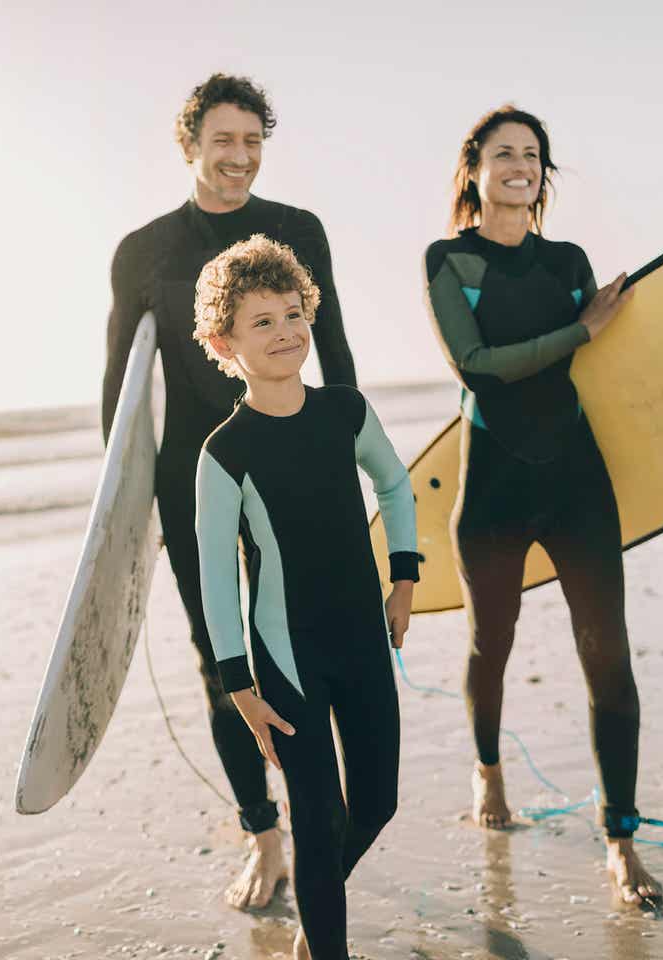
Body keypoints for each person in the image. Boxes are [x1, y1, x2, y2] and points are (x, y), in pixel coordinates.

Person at [102, 73, 359, 908]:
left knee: (306, 645)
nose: (239, 157)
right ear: (192, 146)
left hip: (291, 467)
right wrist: (124, 519)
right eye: (224, 141)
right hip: (193, 476)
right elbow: (120, 396)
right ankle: (264, 833)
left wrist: (347, 462)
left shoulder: (297, 231)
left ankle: (318, 813)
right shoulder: (145, 251)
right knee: (225, 663)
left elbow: (339, 360)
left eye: (253, 141)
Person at [422, 105, 663, 908]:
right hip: (493, 486)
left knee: (610, 659)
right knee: (490, 645)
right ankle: (489, 769)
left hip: (576, 482)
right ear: (475, 171)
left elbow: (606, 382)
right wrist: (582, 330)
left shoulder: (567, 260)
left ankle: (621, 838)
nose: (520, 166)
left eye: (533, 155)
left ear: (543, 174)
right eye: (504, 154)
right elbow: (478, 367)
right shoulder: (448, 259)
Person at [193, 234, 417, 959]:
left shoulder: (345, 412)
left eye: (294, 313)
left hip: (360, 638)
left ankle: (316, 909)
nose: (286, 330)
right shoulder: (224, 452)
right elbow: (215, 576)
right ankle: (326, 944)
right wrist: (238, 687)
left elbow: (395, 482)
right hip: (287, 656)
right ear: (225, 342)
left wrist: (405, 579)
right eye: (263, 321)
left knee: (376, 803)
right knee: (317, 817)